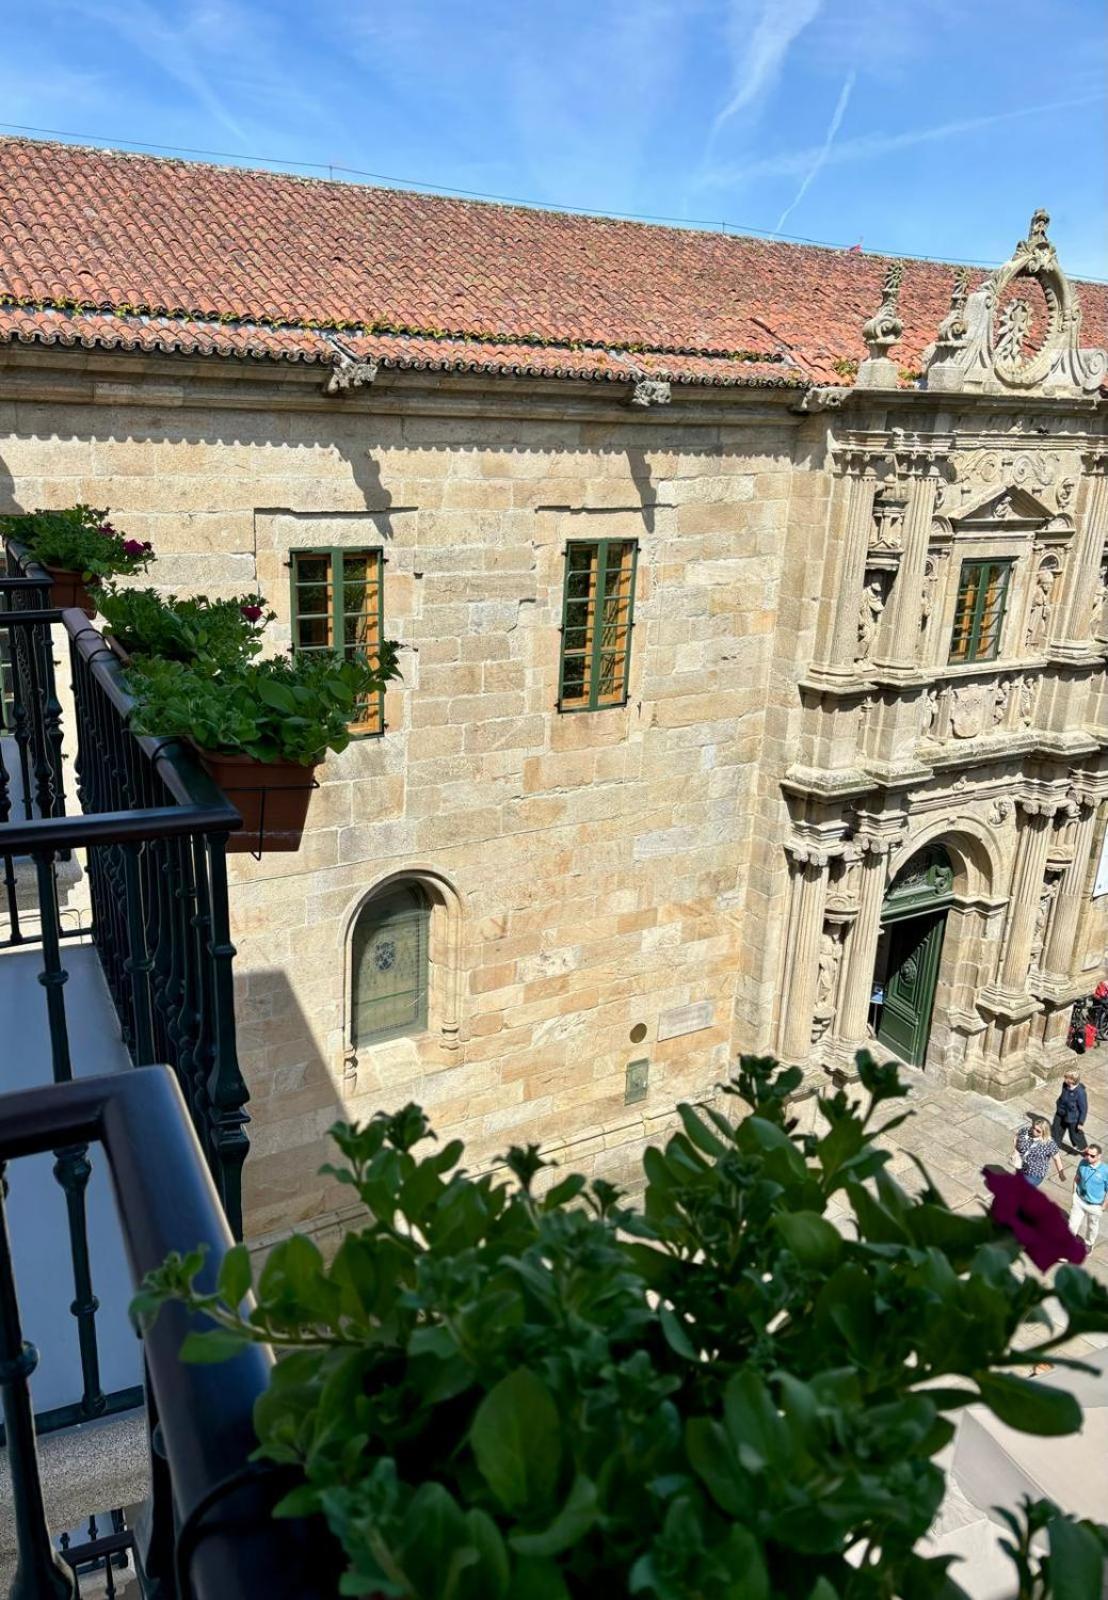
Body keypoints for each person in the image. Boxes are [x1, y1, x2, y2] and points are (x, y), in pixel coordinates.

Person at [1068, 1142, 1108, 1250]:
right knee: (1072, 1225)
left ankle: (1089, 1244)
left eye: (1092, 1155)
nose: (1088, 1157)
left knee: (1092, 1226)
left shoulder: (1105, 1171)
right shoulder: (1083, 1162)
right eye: (1087, 1154)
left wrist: (1104, 1205)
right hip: (1079, 1200)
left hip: (1095, 1205)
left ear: (1099, 1156)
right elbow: (1077, 1178)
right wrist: (1074, 1194)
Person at [1013, 1118, 1065, 1189]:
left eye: (1038, 1131)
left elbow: (1057, 1159)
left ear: (1044, 1132)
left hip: (1035, 1173)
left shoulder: (1049, 1144)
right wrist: (1016, 1152)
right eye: (1033, 1128)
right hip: (1021, 1168)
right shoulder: (1025, 1131)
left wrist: (1061, 1174)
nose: (1034, 1131)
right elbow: (1016, 1137)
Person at [1052, 1071, 1088, 1152]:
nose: (1064, 1079)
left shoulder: (1080, 1092)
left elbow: (1084, 1108)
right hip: (1061, 1112)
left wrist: (1081, 1122)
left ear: (1072, 1080)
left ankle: (1085, 1150)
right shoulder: (1065, 1085)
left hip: (1072, 1117)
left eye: (1066, 1077)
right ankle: (1055, 1146)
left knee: (1075, 1134)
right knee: (1056, 1129)